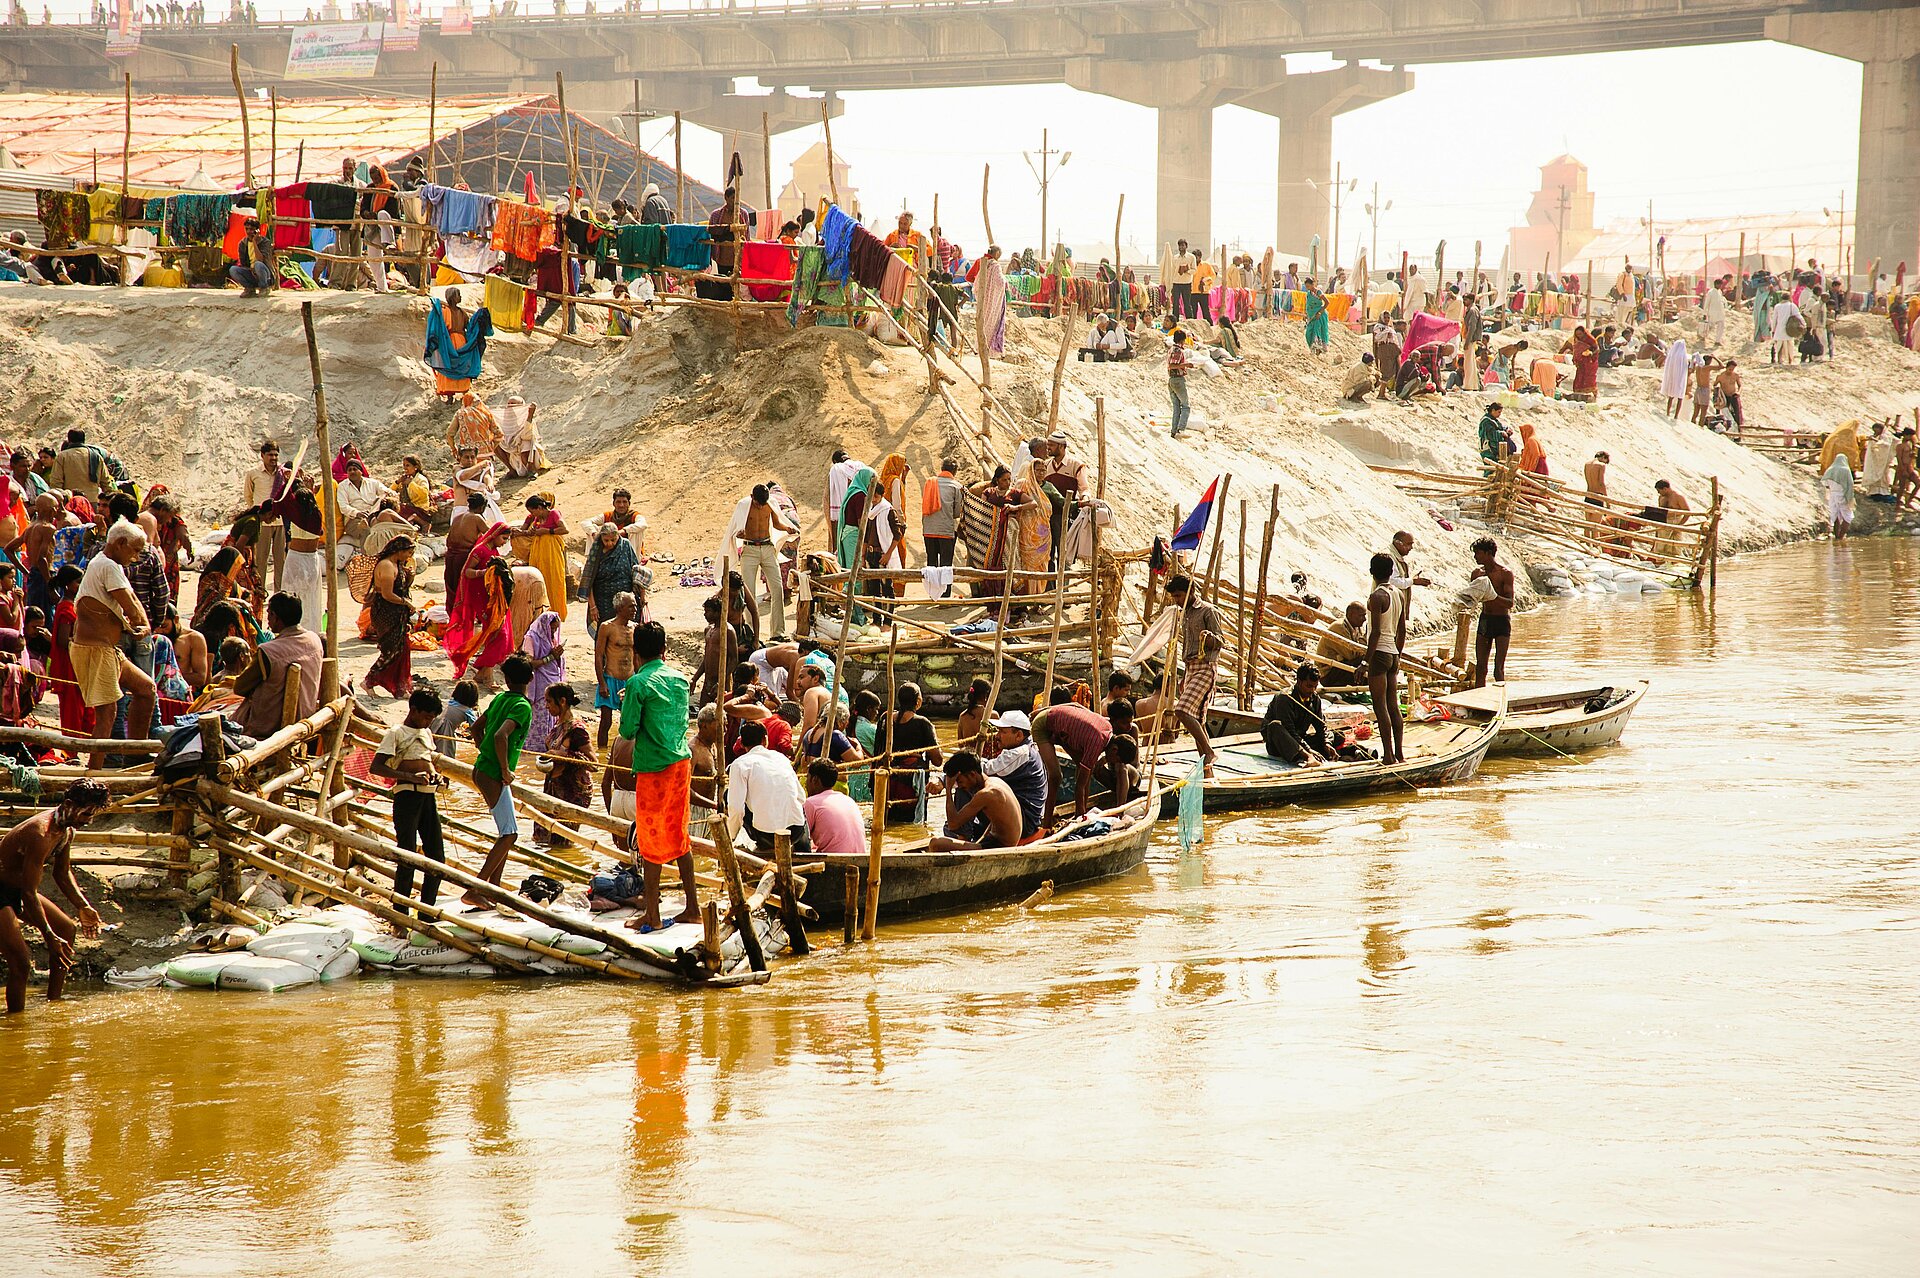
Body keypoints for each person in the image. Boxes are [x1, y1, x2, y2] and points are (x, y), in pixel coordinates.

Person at [0, 778, 110, 1013]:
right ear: (69, 804)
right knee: (20, 961)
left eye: (92, 815)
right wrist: (47, 934)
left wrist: (84, 906)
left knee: (67, 929)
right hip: (4, 891)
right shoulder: (41, 833)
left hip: (18, 889)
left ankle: (53, 1003)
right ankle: (15, 1022)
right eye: (85, 815)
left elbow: (62, 872)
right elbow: (29, 894)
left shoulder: (66, 829)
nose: (89, 821)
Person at [619, 622, 699, 931]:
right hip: (680, 765)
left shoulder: (638, 683)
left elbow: (627, 731)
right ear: (664, 649)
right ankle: (692, 907)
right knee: (679, 836)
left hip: (654, 768)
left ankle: (652, 913)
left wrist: (629, 699)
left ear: (635, 653)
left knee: (651, 839)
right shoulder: (679, 678)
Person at [71, 521, 157, 768]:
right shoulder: (107, 565)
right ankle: (94, 773)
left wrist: (145, 625)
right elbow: (129, 604)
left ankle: (135, 754)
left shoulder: (109, 564)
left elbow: (131, 599)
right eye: (135, 550)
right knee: (107, 714)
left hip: (108, 649)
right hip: (96, 650)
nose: (136, 556)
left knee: (145, 689)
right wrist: (142, 624)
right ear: (120, 544)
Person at [371, 689, 447, 918]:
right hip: (407, 797)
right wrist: (411, 777)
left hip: (427, 797)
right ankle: (401, 912)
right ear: (413, 710)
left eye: (432, 719)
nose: (428, 722)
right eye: (426, 717)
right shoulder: (396, 733)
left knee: (436, 856)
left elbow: (426, 761)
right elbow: (377, 767)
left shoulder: (426, 733)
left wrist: (436, 776)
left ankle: (426, 911)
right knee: (407, 856)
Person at [465, 653, 534, 903]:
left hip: (484, 768)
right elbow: (500, 736)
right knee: (510, 835)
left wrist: (483, 750)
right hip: (494, 774)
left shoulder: (499, 699)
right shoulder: (522, 706)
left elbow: (476, 728)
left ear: (505, 678)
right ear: (531, 678)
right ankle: (476, 889)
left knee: (508, 831)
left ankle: (494, 888)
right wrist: (504, 769)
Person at [234, 591, 322, 739]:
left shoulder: (269, 651)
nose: (268, 619)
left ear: (275, 617)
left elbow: (240, 687)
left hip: (268, 728)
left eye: (269, 614)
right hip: (305, 716)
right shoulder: (314, 639)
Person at [722, 483, 797, 640]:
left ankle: (777, 633)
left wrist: (786, 529)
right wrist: (739, 534)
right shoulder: (744, 506)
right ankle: (750, 632)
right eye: (758, 503)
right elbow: (735, 529)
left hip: (767, 547)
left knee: (777, 589)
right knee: (749, 592)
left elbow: (776, 522)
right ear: (752, 497)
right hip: (750, 550)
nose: (760, 506)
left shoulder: (769, 503)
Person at [1163, 574, 1221, 778]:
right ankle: (1208, 773)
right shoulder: (1184, 614)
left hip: (1205, 666)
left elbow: (1220, 641)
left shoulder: (1208, 610)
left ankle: (1209, 752)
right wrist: (1184, 675)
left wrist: (1209, 638)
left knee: (1182, 711)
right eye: (1175, 597)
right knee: (1197, 719)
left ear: (1190, 591)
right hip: (1190, 668)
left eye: (1179, 596)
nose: (1177, 601)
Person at [727, 719, 810, 858]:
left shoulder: (739, 765)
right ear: (765, 740)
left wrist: (731, 836)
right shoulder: (781, 758)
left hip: (767, 835)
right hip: (796, 831)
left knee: (728, 795)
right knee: (797, 806)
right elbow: (801, 798)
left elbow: (736, 808)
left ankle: (763, 846)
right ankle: (804, 849)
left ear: (741, 744)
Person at [442, 521, 512, 686]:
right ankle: (484, 672)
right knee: (498, 633)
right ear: (495, 535)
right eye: (503, 538)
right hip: (480, 597)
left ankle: (483, 674)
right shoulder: (479, 551)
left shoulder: (493, 550)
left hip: (493, 597)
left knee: (495, 633)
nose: (504, 542)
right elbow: (466, 572)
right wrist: (485, 572)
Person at [1031, 700, 1122, 822]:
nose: (1114, 762)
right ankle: (1046, 823)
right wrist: (1081, 817)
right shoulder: (1097, 742)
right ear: (1115, 750)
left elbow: (1077, 706)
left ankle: (1080, 813)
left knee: (1086, 770)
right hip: (1043, 725)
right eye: (1117, 760)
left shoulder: (1108, 728)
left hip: (1061, 730)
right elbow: (1079, 786)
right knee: (1056, 776)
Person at [533, 684, 594, 848]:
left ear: (562, 701)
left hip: (573, 792)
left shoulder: (577, 730)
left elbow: (593, 763)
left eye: (549, 702)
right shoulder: (557, 726)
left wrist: (564, 756)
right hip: (555, 787)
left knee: (562, 842)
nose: (546, 706)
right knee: (545, 838)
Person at [930, 752, 1022, 853]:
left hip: (1000, 846)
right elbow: (995, 822)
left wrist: (948, 789)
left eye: (960, 782)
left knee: (935, 843)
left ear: (972, 774)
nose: (960, 787)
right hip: (994, 841)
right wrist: (978, 843)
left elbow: (953, 824)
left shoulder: (986, 794)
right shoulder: (995, 781)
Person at [879, 681, 942, 825]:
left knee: (889, 823)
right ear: (918, 701)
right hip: (911, 786)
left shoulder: (885, 718)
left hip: (887, 785)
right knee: (911, 825)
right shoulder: (923, 723)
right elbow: (938, 760)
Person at [362, 533, 417, 698]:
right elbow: (387, 594)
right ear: (399, 550)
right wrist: (406, 603)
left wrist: (410, 577)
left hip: (397, 613)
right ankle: (368, 681)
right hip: (385, 612)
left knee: (402, 648)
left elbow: (402, 587)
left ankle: (400, 686)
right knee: (390, 649)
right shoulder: (386, 565)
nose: (409, 557)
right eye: (408, 553)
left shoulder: (397, 564)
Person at [1364, 552, 1406, 765]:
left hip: (1379, 654)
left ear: (1372, 572)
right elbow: (1402, 630)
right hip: (1392, 653)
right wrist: (1397, 654)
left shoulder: (1377, 596)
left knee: (1380, 707)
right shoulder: (1399, 594)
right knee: (1393, 706)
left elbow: (1375, 633)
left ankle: (1388, 756)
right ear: (1391, 572)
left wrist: (1365, 662)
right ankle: (1399, 753)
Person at [979, 708, 1047, 837]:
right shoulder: (1026, 748)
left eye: (1003, 732)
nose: (997, 736)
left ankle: (962, 836)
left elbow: (986, 769)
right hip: (1026, 817)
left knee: (970, 784)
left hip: (1024, 821)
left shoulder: (1020, 753)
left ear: (1019, 735)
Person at [423, 285, 494, 401]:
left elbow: (469, 326)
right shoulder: (444, 311)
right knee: (451, 365)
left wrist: (479, 318)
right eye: (458, 295)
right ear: (453, 297)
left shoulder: (462, 313)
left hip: (457, 342)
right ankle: (450, 395)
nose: (460, 297)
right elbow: (440, 326)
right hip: (449, 342)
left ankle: (462, 392)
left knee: (457, 364)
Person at [240, 438, 290, 595]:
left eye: (276, 455)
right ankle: (259, 593)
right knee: (260, 560)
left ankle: (278, 594)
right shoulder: (253, 473)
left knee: (280, 560)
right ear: (262, 455)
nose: (274, 458)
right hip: (262, 523)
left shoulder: (283, 473)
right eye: (270, 455)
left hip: (280, 521)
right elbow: (248, 496)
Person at [579, 521, 640, 636]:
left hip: (625, 602)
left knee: (628, 633)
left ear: (618, 536)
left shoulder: (626, 546)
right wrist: (593, 607)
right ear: (601, 538)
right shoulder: (596, 551)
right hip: (603, 603)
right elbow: (588, 580)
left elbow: (636, 572)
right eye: (606, 540)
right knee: (605, 634)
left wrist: (642, 596)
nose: (610, 543)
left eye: (613, 540)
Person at [1469, 537, 1515, 688]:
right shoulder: (1477, 574)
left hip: (1502, 621)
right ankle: (1478, 704)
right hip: (1485, 619)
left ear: (1488, 553)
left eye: (1478, 553)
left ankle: (1500, 702)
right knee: (1481, 668)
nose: (1475, 556)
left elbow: (1510, 603)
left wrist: (1492, 596)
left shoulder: (1505, 573)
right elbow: (1471, 598)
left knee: (1498, 669)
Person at [1262, 664, 1330, 765]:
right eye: (1309, 686)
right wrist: (1308, 750)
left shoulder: (1314, 698)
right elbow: (1289, 729)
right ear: (1299, 682)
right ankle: (1308, 757)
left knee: (1333, 735)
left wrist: (1326, 743)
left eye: (1315, 687)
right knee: (1274, 726)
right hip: (1281, 743)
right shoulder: (1284, 698)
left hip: (1300, 739)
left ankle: (1333, 752)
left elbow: (1320, 724)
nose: (1312, 690)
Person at [592, 592, 637, 749]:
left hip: (630, 680)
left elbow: (636, 657)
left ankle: (625, 753)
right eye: (631, 606)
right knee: (606, 721)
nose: (635, 609)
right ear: (620, 608)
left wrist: (639, 680)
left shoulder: (635, 628)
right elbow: (599, 656)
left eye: (635, 605)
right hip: (611, 679)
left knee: (630, 721)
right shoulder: (606, 627)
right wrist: (602, 683)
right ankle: (602, 753)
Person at [803, 759, 866, 856]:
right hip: (861, 858)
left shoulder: (811, 803)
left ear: (814, 780)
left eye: (807, 778)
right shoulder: (848, 800)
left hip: (832, 862)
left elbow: (801, 840)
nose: (806, 783)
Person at [920, 458, 963, 573]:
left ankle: (933, 590)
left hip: (928, 530)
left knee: (931, 565)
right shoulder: (956, 486)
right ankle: (945, 591)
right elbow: (957, 512)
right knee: (946, 566)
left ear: (942, 469)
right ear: (955, 471)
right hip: (946, 531)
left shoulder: (929, 483)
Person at [1316, 601, 1369, 687]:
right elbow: (1352, 655)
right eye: (1361, 616)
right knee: (1365, 661)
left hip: (1339, 667)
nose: (1364, 619)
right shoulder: (1339, 627)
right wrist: (1365, 637)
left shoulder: (1356, 628)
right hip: (1328, 673)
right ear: (1351, 615)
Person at [432, 679, 480, 757]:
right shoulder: (467, 711)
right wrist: (480, 744)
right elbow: (476, 728)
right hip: (444, 732)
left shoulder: (446, 702)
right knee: (445, 757)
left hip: (432, 727)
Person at [228, 218, 274, 295]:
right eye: (247, 229)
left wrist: (254, 242)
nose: (249, 232)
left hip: (264, 273)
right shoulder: (242, 244)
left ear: (257, 230)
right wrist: (250, 270)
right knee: (233, 269)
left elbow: (261, 259)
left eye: (252, 229)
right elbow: (243, 264)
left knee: (258, 264)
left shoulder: (265, 242)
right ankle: (249, 288)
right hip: (251, 273)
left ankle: (264, 288)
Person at [1167, 329, 1194, 439]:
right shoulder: (1178, 351)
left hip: (1172, 380)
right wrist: (1186, 364)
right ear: (1183, 340)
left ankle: (1174, 431)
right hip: (1178, 379)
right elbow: (1173, 365)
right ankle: (1180, 429)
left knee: (1176, 407)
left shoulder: (1171, 349)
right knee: (1186, 406)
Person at [1822, 450, 1855, 540]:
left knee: (1836, 516)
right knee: (1848, 517)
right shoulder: (1845, 469)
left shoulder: (1830, 469)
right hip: (1842, 494)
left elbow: (1825, 483)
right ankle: (1841, 537)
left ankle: (1837, 537)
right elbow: (1850, 484)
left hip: (1832, 495)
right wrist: (1850, 497)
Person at [1768, 292, 1803, 366]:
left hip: (1779, 329)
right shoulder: (1792, 306)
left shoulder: (1777, 306)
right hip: (1789, 329)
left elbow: (1774, 319)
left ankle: (1780, 360)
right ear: (1789, 298)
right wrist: (1803, 324)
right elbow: (1798, 316)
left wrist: (1773, 329)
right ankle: (1790, 360)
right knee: (1790, 345)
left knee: (1779, 345)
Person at [1477, 402, 1510, 468]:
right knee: (1490, 468)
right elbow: (1490, 434)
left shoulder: (1493, 420)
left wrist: (1506, 430)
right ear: (1493, 410)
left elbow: (1498, 427)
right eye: (1498, 412)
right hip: (1488, 448)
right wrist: (1501, 433)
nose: (1499, 414)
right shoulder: (1486, 421)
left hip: (1493, 448)